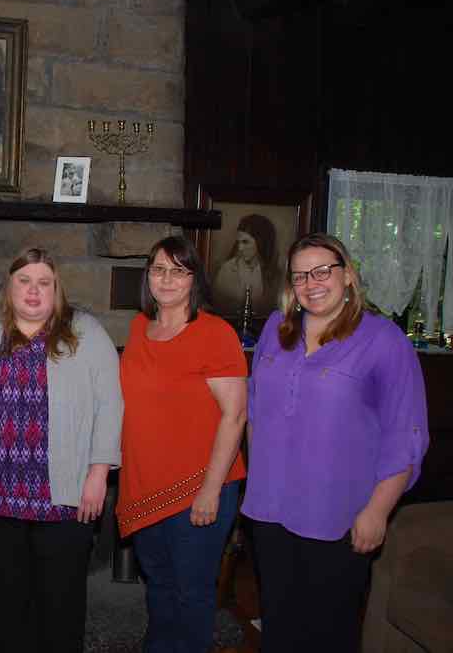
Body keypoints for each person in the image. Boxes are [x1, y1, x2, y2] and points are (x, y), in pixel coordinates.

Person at [242, 233, 429, 653]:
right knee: (279, 626)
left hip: (338, 518)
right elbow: (256, 412)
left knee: (327, 632)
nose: (312, 283)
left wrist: (378, 511)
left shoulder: (384, 341)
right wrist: (260, 474)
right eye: (301, 275)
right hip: (270, 511)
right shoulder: (277, 328)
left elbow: (407, 435)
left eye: (323, 271)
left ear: (347, 275)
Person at [0, 248, 122, 652]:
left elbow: (111, 404)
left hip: (65, 498)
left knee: (61, 607)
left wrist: (98, 474)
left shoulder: (86, 332)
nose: (33, 291)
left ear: (57, 290)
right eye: (24, 281)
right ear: (9, 286)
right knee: (8, 605)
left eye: (44, 283)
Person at [118, 235, 248, 653]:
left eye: (179, 270)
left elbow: (235, 415)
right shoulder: (140, 328)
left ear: (195, 279)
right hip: (145, 482)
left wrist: (211, 489)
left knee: (192, 593)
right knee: (158, 585)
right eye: (159, 269)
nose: (167, 279)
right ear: (148, 277)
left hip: (199, 487)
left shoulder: (215, 333)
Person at [212, 213, 281, 317]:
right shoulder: (227, 269)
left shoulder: (273, 274)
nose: (240, 248)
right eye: (238, 242)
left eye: (245, 242)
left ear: (260, 242)